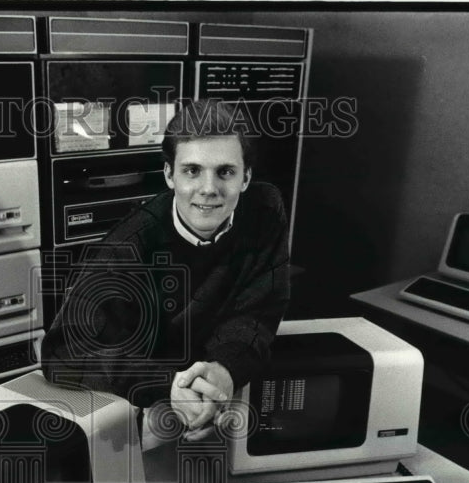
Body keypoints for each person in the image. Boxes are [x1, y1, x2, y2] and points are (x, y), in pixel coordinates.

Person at [42, 99, 290, 439]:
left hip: (211, 398)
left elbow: (258, 309)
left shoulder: (264, 208)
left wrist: (225, 371)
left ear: (246, 178)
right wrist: (168, 387)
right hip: (135, 411)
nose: (209, 189)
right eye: (192, 170)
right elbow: (63, 354)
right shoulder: (125, 248)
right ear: (169, 175)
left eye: (225, 172)